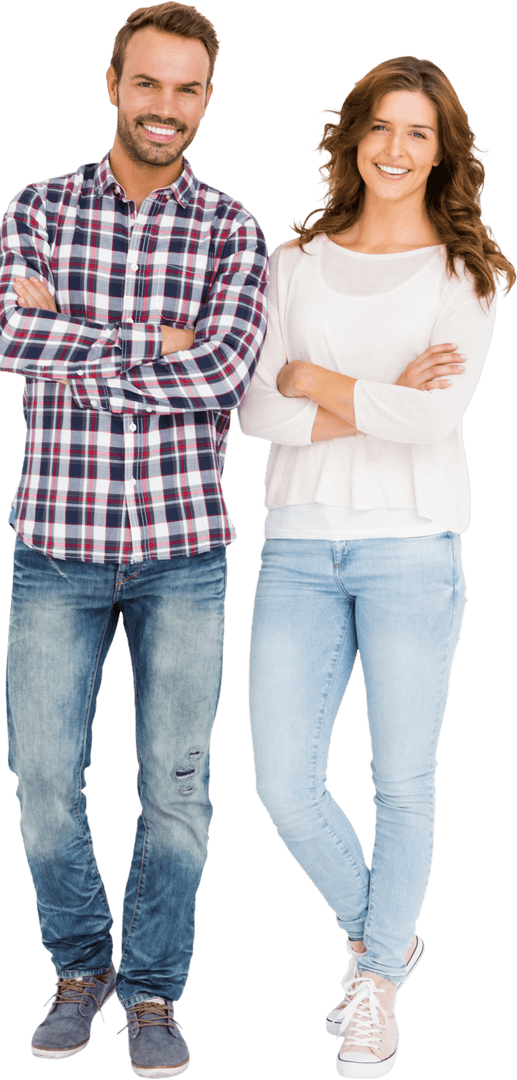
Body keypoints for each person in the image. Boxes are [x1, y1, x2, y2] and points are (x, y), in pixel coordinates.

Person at [0, 3, 267, 1076]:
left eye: (187, 88)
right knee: (46, 779)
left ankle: (152, 991)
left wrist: (80, 345)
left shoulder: (233, 229)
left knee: (179, 784)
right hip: (55, 540)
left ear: (206, 98)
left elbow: (226, 373)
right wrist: (158, 338)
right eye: (147, 83)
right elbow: (10, 337)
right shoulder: (40, 205)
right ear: (112, 83)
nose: (165, 106)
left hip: (183, 547)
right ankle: (77, 966)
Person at [238, 55, 514, 1079]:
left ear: (443, 153)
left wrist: (322, 378)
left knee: (402, 780)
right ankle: (386, 945)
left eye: (421, 134)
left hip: (413, 548)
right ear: (354, 136)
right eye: (382, 128)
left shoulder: (462, 271)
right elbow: (254, 407)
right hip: (299, 548)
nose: (397, 150)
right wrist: (371, 390)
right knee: (281, 781)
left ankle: (373, 992)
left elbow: (432, 416)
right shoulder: (292, 264)